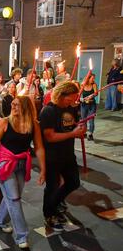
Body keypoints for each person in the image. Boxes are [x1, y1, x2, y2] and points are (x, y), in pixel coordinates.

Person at [0, 96, 46, 249]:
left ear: (26, 108)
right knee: (14, 199)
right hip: (5, 163)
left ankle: (0, 220)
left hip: (22, 163)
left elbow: (39, 147)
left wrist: (43, 169)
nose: (13, 107)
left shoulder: (33, 125)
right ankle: (22, 236)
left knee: (12, 196)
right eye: (12, 105)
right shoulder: (4, 122)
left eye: (17, 105)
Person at [40, 81, 86, 231]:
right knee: (52, 186)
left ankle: (55, 204)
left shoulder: (70, 109)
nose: (72, 101)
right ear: (61, 94)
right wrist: (72, 134)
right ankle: (49, 214)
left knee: (73, 182)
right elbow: (50, 136)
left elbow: (72, 126)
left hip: (67, 154)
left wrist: (79, 129)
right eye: (69, 98)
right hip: (52, 156)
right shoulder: (48, 111)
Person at [80, 74, 98, 141]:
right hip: (84, 104)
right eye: (92, 78)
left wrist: (91, 96)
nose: (93, 80)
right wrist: (81, 98)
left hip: (92, 104)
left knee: (91, 120)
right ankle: (84, 132)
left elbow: (96, 93)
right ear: (88, 78)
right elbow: (79, 93)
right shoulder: (83, 85)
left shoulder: (94, 84)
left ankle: (90, 134)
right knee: (83, 119)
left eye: (94, 78)